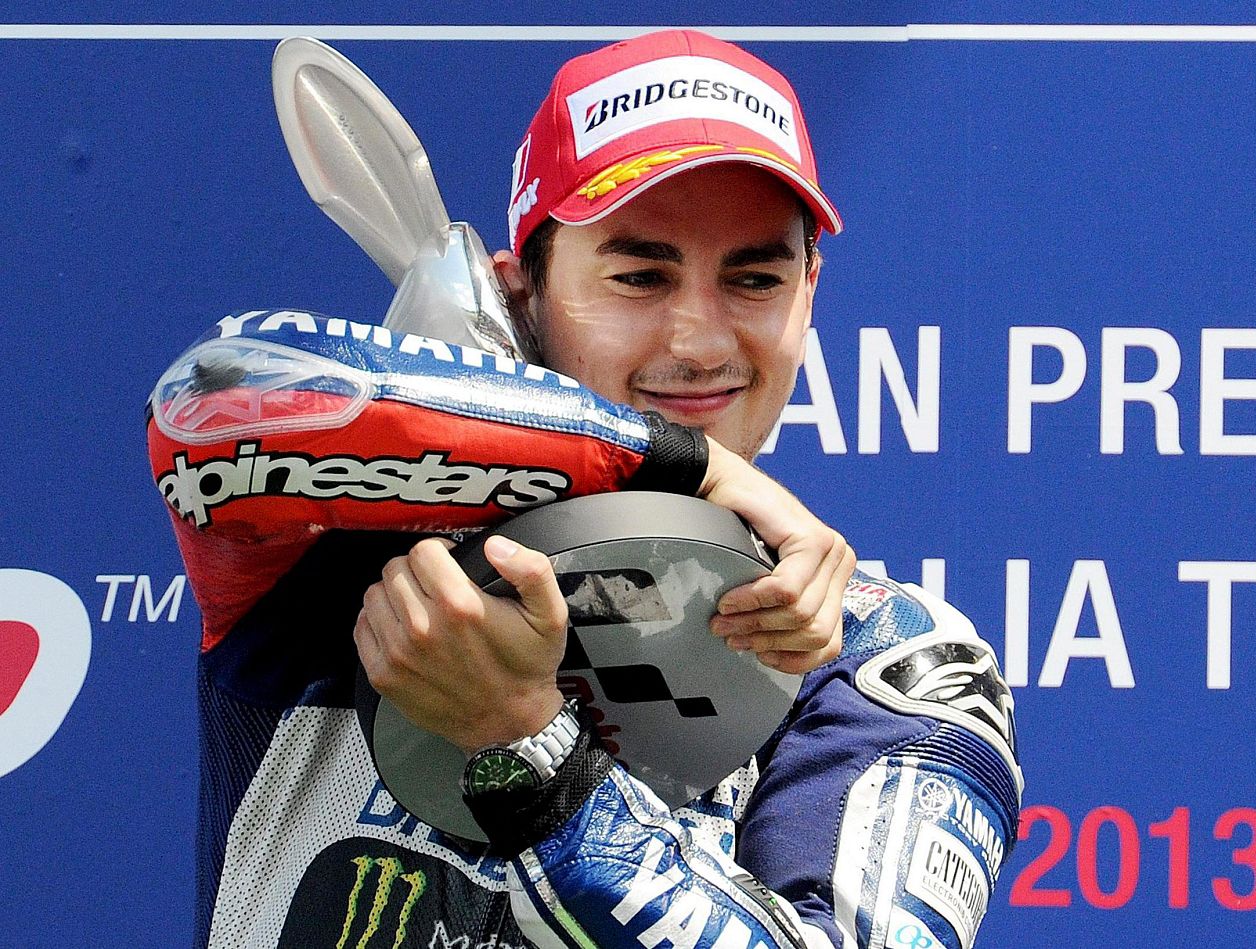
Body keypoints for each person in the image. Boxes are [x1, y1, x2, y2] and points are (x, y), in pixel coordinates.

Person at [149, 30, 1020, 949]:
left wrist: (527, 746)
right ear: (514, 294)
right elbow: (206, 403)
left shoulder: (884, 652)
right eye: (639, 276)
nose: (700, 342)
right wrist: (688, 462)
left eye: (754, 278)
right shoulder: (338, 528)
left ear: (809, 290)